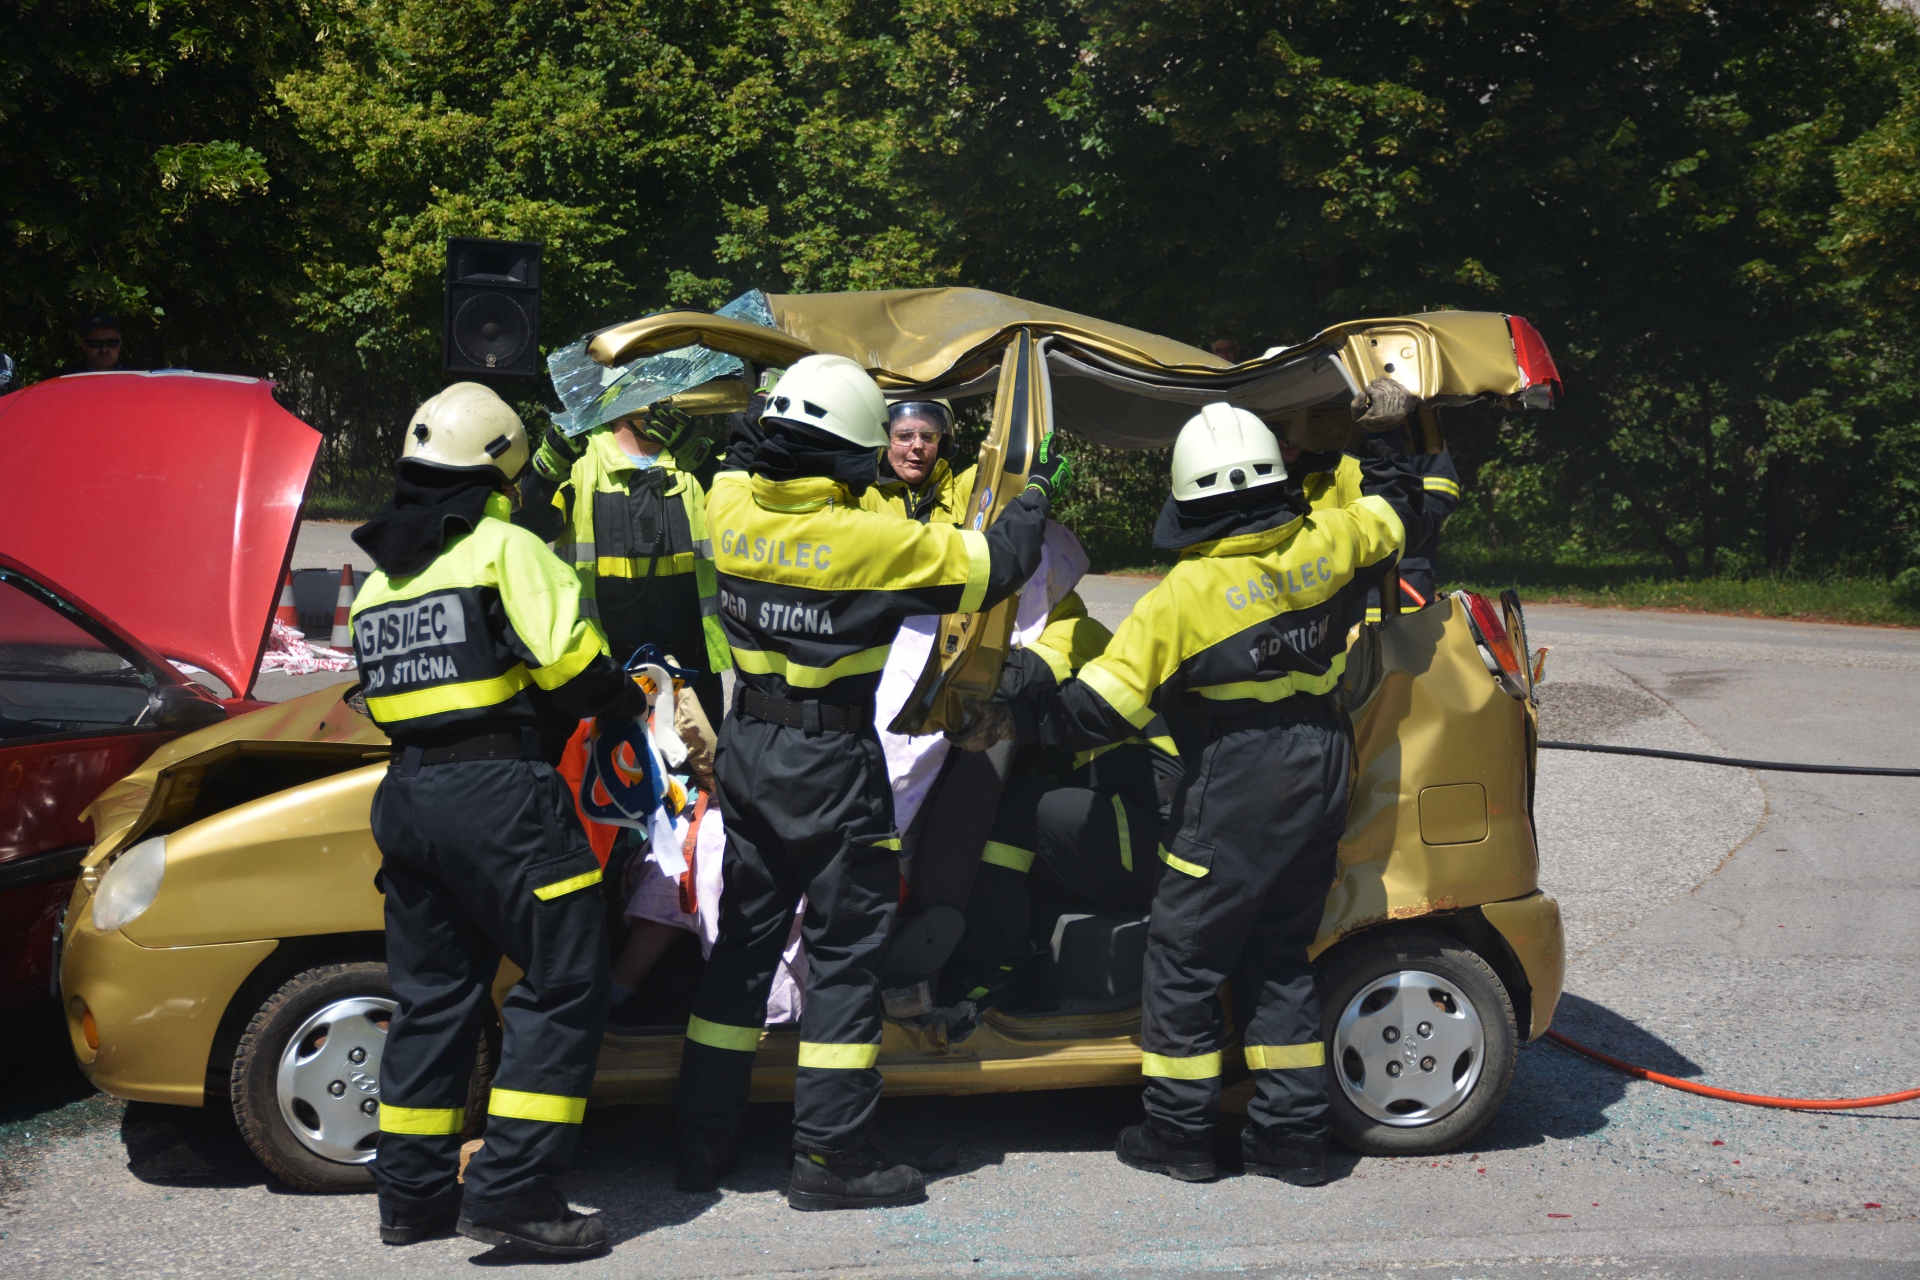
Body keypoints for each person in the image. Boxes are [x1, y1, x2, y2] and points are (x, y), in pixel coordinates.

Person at [674, 353, 1067, 1210]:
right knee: (845, 956)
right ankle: (830, 1155)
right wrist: (1034, 493)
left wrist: (754, 412)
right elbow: (999, 563)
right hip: (830, 764)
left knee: (744, 946)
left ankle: (700, 1141)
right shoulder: (873, 540)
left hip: (749, 749)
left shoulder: (726, 504)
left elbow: (740, 453)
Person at [998, 402, 1422, 1188]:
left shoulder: (1183, 597)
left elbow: (1095, 714)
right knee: (1279, 951)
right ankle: (1292, 1138)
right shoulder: (1328, 540)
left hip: (1240, 774)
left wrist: (1017, 708)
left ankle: (1179, 1135)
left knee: (1186, 955)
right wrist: (1388, 437)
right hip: (1324, 757)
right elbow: (1396, 512)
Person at [348, 382, 647, 1258]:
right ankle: (514, 1190)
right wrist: (630, 700)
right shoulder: (506, 550)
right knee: (565, 979)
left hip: (407, 799)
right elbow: (574, 672)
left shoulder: (380, 585)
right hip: (501, 799)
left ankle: (410, 1197)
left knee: (434, 998)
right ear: (496, 476)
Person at [937, 591, 1180, 1010]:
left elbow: (1015, 677)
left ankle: (992, 973)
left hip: (1152, 833)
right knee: (1016, 803)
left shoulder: (1077, 634)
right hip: (1126, 822)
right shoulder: (1052, 633)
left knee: (1006, 814)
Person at [517, 402, 730, 726]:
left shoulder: (700, 456)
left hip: (692, 671)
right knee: (614, 759)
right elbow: (523, 532)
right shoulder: (577, 461)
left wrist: (701, 461)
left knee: (700, 759)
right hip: (606, 671)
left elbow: (749, 527)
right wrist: (545, 471)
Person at [861, 399, 975, 524]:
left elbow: (993, 459)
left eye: (928, 437)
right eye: (904, 436)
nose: (918, 445)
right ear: (883, 443)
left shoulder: (960, 495)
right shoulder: (860, 497)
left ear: (942, 444)